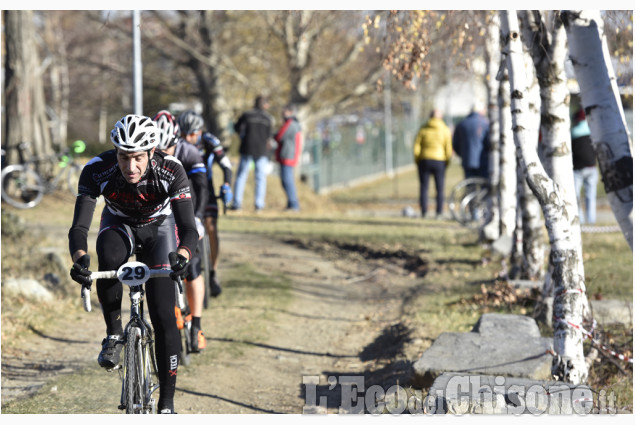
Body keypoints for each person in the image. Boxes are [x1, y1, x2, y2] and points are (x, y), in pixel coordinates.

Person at [68, 114, 198, 414]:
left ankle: (166, 404)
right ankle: (113, 334)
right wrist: (79, 259)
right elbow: (79, 227)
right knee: (109, 257)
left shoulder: (170, 169)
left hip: (159, 229)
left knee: (165, 316)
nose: (130, 167)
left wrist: (183, 255)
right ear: (115, 153)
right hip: (119, 225)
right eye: (124, 157)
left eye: (138, 158)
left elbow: (188, 228)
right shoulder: (97, 170)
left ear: (152, 152)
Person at [154, 110, 209, 353]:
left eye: (169, 150)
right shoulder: (146, 154)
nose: (164, 156)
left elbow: (202, 186)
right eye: (159, 150)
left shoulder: (190, 151)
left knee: (193, 268)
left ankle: (196, 325)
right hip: (163, 217)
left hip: (189, 207)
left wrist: (197, 217)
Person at [177, 110, 233, 300]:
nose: (187, 138)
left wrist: (226, 184)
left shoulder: (209, 140)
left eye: (192, 134)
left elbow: (226, 165)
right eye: (184, 134)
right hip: (183, 192)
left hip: (204, 190)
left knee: (210, 226)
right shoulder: (175, 141)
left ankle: (213, 271)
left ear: (199, 131)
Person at [230, 95, 274, 212]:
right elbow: (269, 136)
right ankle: (259, 205)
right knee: (260, 178)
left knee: (241, 177)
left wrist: (242, 135)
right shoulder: (268, 118)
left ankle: (237, 204)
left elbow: (236, 127)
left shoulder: (247, 115)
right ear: (265, 105)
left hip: (247, 148)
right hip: (261, 151)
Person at [413, 109, 452, 218]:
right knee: (440, 188)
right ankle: (439, 212)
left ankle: (424, 211)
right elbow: (448, 148)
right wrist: (447, 161)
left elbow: (417, 146)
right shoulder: (445, 129)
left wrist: (418, 159)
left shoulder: (423, 128)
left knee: (424, 187)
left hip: (424, 160)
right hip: (440, 160)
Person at [571, 109, 598, 224]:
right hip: (592, 167)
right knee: (590, 196)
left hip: (577, 169)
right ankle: (591, 220)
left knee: (576, 196)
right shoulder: (593, 131)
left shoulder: (573, 133)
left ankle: (580, 220)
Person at [274, 104, 302, 212]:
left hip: (287, 156)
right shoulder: (294, 124)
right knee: (286, 180)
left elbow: (279, 136)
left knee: (287, 181)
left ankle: (294, 205)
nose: (282, 113)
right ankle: (291, 204)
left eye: (285, 111)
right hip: (288, 155)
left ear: (290, 112)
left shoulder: (291, 124)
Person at [452, 101, 490, 179]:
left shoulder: (462, 124)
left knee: (470, 186)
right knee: (483, 186)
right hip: (482, 161)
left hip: (467, 161)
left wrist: (463, 154)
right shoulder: (485, 124)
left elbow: (455, 144)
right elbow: (489, 143)